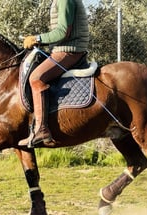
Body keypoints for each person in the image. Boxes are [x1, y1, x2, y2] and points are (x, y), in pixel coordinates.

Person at [18, 0, 89, 147]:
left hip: (69, 51)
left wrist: (37, 38)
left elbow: (63, 31)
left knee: (36, 78)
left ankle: (42, 129)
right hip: (63, 49)